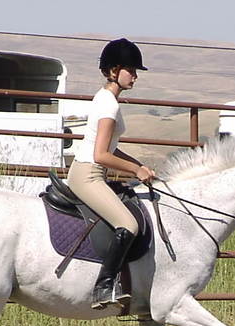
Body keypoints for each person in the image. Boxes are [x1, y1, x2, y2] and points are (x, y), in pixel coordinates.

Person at [66, 38, 157, 309]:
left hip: (91, 172)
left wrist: (139, 165)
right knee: (128, 224)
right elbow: (101, 155)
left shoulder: (106, 98)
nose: (135, 76)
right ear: (115, 70)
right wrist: (135, 169)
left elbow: (111, 149)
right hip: (88, 175)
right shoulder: (109, 105)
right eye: (131, 70)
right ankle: (104, 287)